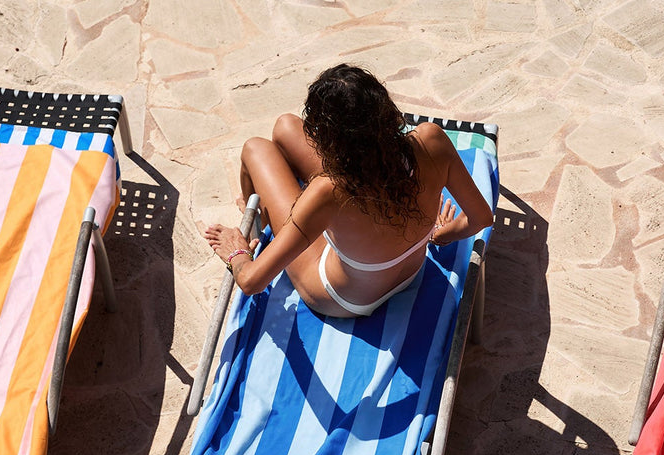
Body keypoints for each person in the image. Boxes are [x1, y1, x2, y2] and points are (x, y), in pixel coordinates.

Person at [204, 63, 495, 318]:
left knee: (256, 149)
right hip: (408, 272)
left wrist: (237, 252)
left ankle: (257, 226)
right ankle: (267, 218)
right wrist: (438, 234)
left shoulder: (328, 192)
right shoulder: (431, 141)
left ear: (331, 140)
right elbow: (481, 218)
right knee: (285, 126)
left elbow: (252, 282)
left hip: (341, 298)